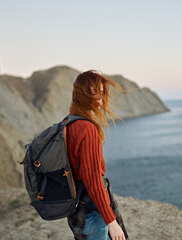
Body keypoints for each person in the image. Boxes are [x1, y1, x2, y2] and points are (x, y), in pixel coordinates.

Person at [66, 70, 128, 240]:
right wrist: (112, 222)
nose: (100, 98)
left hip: (77, 208)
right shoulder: (87, 129)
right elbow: (93, 181)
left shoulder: (68, 122)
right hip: (92, 212)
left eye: (102, 92)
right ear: (83, 95)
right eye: (94, 93)